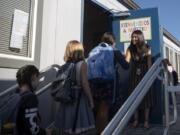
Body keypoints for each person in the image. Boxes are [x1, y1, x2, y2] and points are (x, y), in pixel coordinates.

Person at [88, 32, 129, 134]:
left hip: (95, 82)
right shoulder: (114, 51)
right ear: (113, 42)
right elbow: (126, 66)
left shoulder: (96, 49)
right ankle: (105, 132)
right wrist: (127, 57)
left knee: (99, 109)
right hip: (109, 83)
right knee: (104, 109)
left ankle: (99, 131)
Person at [54, 40, 95, 134]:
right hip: (79, 99)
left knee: (67, 126)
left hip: (66, 98)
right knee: (79, 125)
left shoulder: (65, 65)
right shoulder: (82, 64)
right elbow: (85, 83)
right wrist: (91, 100)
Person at [125, 30, 153, 128]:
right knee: (134, 96)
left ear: (140, 37)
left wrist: (149, 75)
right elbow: (126, 62)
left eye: (136, 37)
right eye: (132, 37)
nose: (133, 39)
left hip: (145, 73)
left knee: (147, 97)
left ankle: (146, 121)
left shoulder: (147, 48)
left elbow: (149, 62)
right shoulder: (130, 48)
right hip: (134, 74)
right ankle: (136, 120)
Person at [15, 65, 51, 135]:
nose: (38, 82)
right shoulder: (30, 98)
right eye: (38, 78)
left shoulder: (16, 93)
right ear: (34, 77)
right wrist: (45, 132)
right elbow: (32, 128)